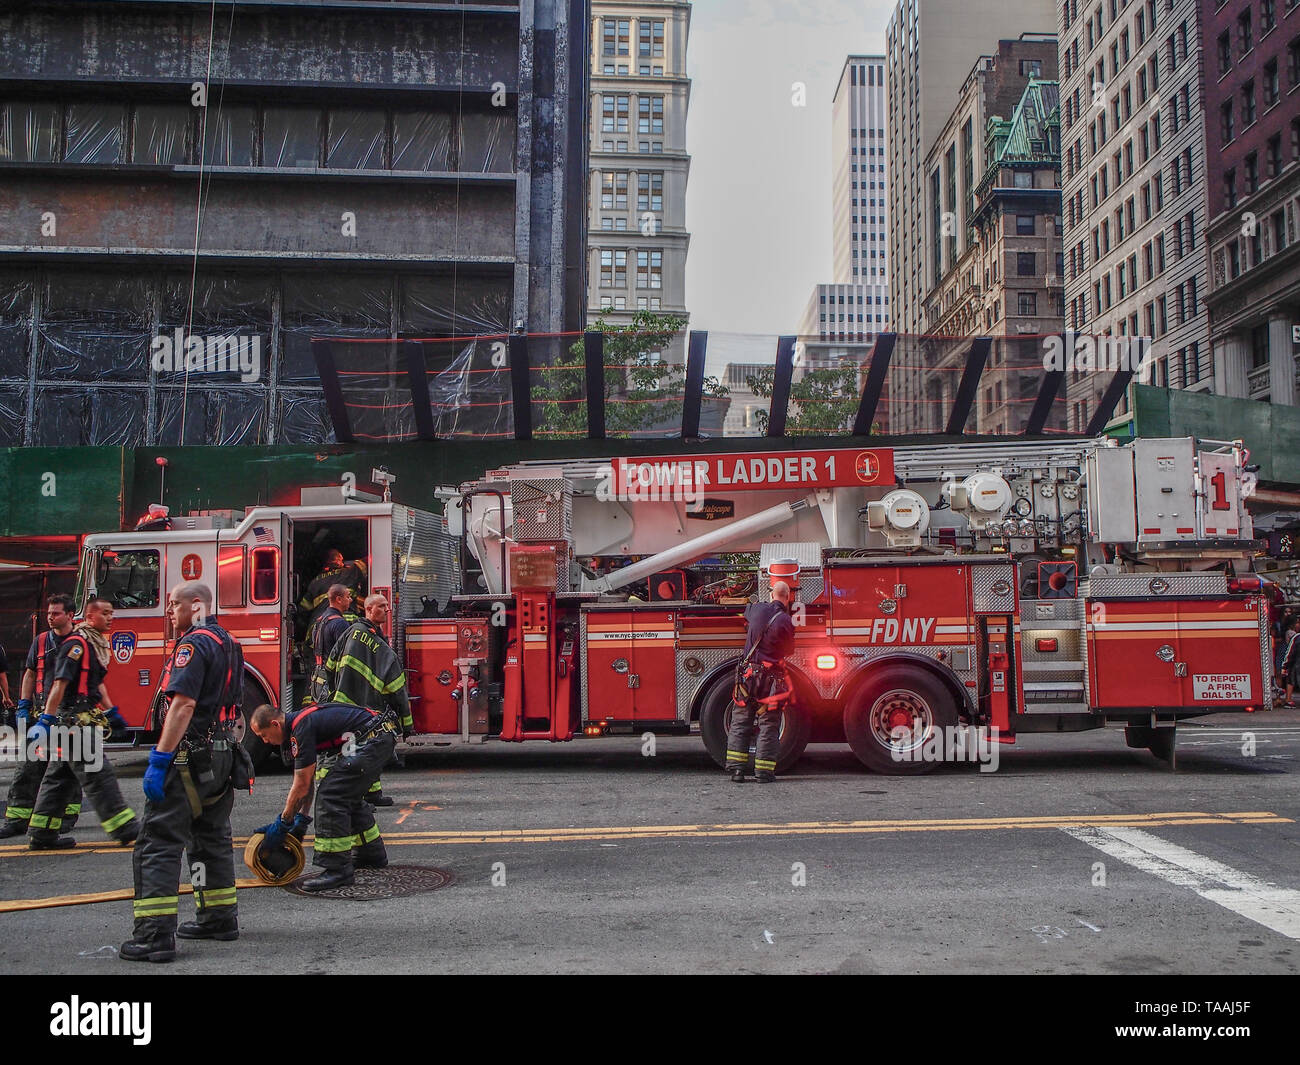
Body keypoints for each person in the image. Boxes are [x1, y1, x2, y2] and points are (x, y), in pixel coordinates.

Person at [122, 581, 251, 963]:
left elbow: (183, 705)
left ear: (196, 605)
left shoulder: (194, 645)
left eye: (174, 604)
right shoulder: (230, 642)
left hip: (189, 759)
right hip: (224, 754)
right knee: (209, 837)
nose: (169, 611)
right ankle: (218, 917)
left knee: (157, 842)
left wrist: (160, 759)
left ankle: (154, 935)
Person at [249, 700, 395, 891]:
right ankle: (371, 852)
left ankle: (337, 870)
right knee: (345, 794)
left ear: (275, 724)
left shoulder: (301, 728)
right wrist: (301, 820)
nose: (265, 741)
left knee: (331, 797)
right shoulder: (300, 725)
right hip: (377, 736)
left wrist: (284, 822)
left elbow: (301, 785)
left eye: (264, 735)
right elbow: (306, 781)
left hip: (372, 740)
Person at [26, 597, 136, 850]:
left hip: (73, 722)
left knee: (60, 778)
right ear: (89, 617)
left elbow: (95, 684)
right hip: (74, 723)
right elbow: (59, 684)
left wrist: (111, 713)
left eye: (112, 613)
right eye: (105, 613)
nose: (111, 618)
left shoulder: (89, 646)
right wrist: (45, 720)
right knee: (99, 774)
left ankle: (42, 833)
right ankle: (125, 827)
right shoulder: (76, 646)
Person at [314, 592, 412, 807]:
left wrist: (330, 695)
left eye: (387, 606)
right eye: (381, 606)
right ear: (368, 609)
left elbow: (329, 665)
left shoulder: (350, 632)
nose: (386, 610)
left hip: (343, 704)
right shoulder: (381, 648)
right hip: (366, 709)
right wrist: (406, 724)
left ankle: (372, 794)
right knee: (355, 753)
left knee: (362, 750)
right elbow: (397, 689)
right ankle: (349, 798)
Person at [1, 595, 85, 838]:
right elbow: (29, 673)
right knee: (28, 768)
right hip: (42, 717)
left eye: (56, 613)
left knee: (66, 769)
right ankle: (17, 819)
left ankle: (66, 816)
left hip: (68, 717)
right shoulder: (40, 642)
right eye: (49, 613)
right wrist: (24, 705)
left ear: (70, 616)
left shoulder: (79, 644)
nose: (50, 617)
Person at [725, 580, 796, 784]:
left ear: (772, 594)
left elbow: (745, 614)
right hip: (771, 680)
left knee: (740, 721)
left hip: (747, 678)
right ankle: (763, 772)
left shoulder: (755, 609)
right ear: (788, 597)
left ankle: (737, 771)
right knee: (769, 724)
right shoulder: (785, 621)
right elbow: (789, 650)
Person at [299, 549, 367, 646]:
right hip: (348, 628)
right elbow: (367, 561)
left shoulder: (315, 582)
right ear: (337, 560)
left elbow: (303, 611)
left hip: (317, 631)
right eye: (341, 559)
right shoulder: (349, 573)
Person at [1281, 616, 1300, 708]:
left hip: (1296, 664)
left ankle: (1288, 700)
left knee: (1291, 680)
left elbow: (1290, 652)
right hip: (1296, 664)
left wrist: (1284, 666)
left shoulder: (1297, 637)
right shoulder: (1296, 637)